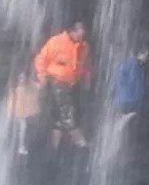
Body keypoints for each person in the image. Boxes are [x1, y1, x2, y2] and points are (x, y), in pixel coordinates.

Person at [33, 21, 89, 150]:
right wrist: (42, 77)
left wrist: (87, 80)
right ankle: (81, 143)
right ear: (73, 31)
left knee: (59, 118)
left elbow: (86, 66)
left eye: (83, 35)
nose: (82, 37)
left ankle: (54, 148)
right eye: (80, 34)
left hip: (74, 83)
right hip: (57, 81)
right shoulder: (56, 42)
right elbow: (41, 58)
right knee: (68, 112)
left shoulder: (84, 46)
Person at [7, 69, 41, 156]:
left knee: (27, 130)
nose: (22, 79)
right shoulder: (15, 89)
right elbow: (11, 101)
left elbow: (40, 87)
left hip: (29, 112)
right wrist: (10, 112)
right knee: (23, 129)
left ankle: (24, 145)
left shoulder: (31, 86)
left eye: (23, 77)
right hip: (20, 113)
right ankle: (21, 146)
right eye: (21, 78)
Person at [113, 46, 148, 126]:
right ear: (139, 54)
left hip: (128, 101)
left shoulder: (136, 66)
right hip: (129, 101)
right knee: (126, 122)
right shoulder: (134, 65)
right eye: (145, 54)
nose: (146, 57)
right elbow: (133, 83)